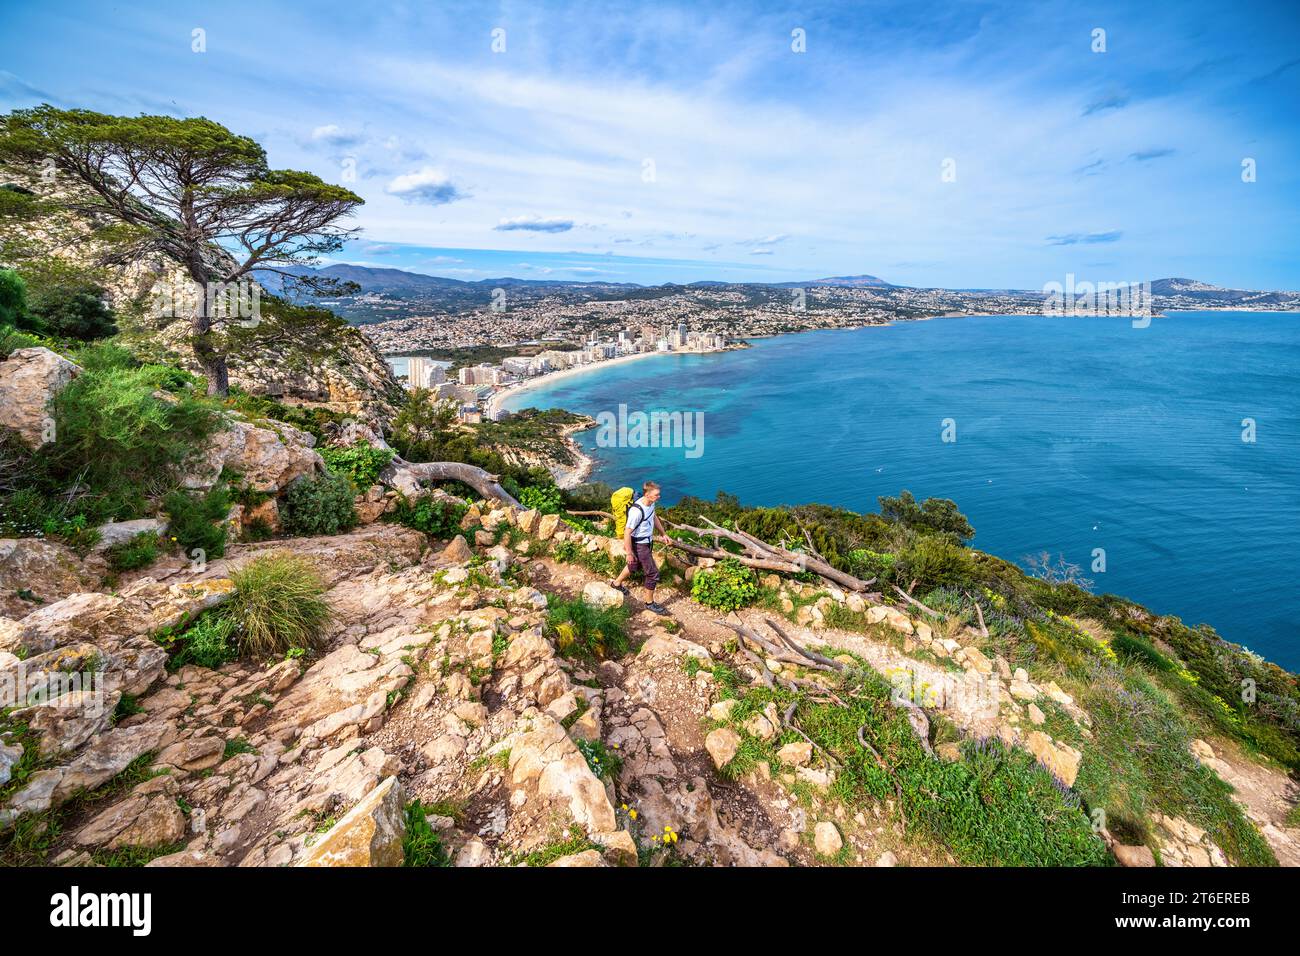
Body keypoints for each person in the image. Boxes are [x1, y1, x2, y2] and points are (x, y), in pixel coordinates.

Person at [609, 480, 672, 615]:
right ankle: (649, 603)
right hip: (639, 544)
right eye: (656, 495)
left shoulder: (651, 504)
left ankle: (616, 583)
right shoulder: (636, 511)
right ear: (647, 494)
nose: (659, 497)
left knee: (635, 565)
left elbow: (653, 516)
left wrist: (663, 534)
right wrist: (629, 553)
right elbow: (627, 532)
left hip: (647, 541)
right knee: (653, 573)